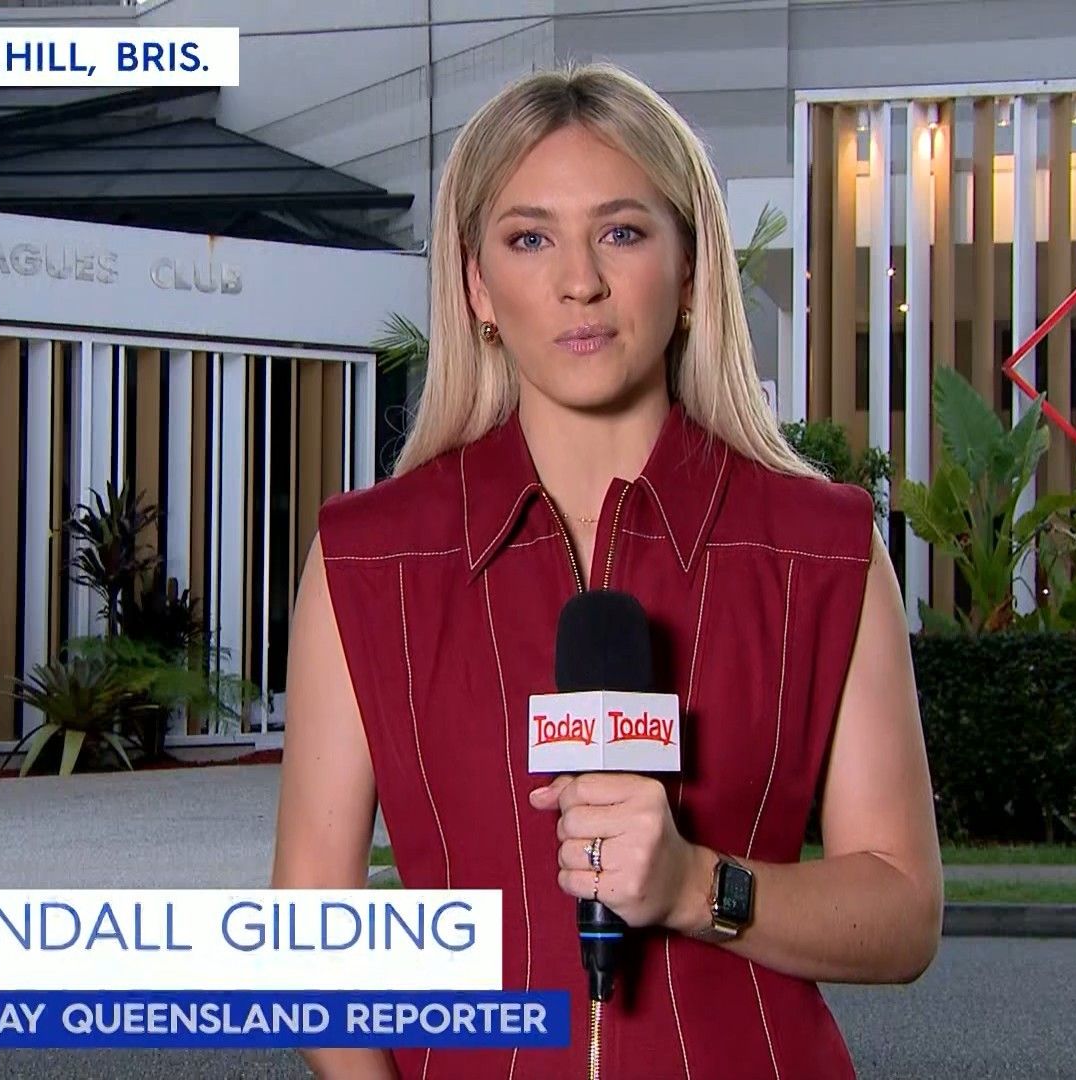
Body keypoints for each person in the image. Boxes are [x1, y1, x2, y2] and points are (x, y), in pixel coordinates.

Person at [273, 61, 942, 1080]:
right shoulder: (368, 560)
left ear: (690, 268)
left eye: (622, 232)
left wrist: (694, 887)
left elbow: (902, 912)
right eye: (529, 238)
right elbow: (311, 927)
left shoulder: (825, 549)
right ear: (476, 285)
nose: (578, 281)